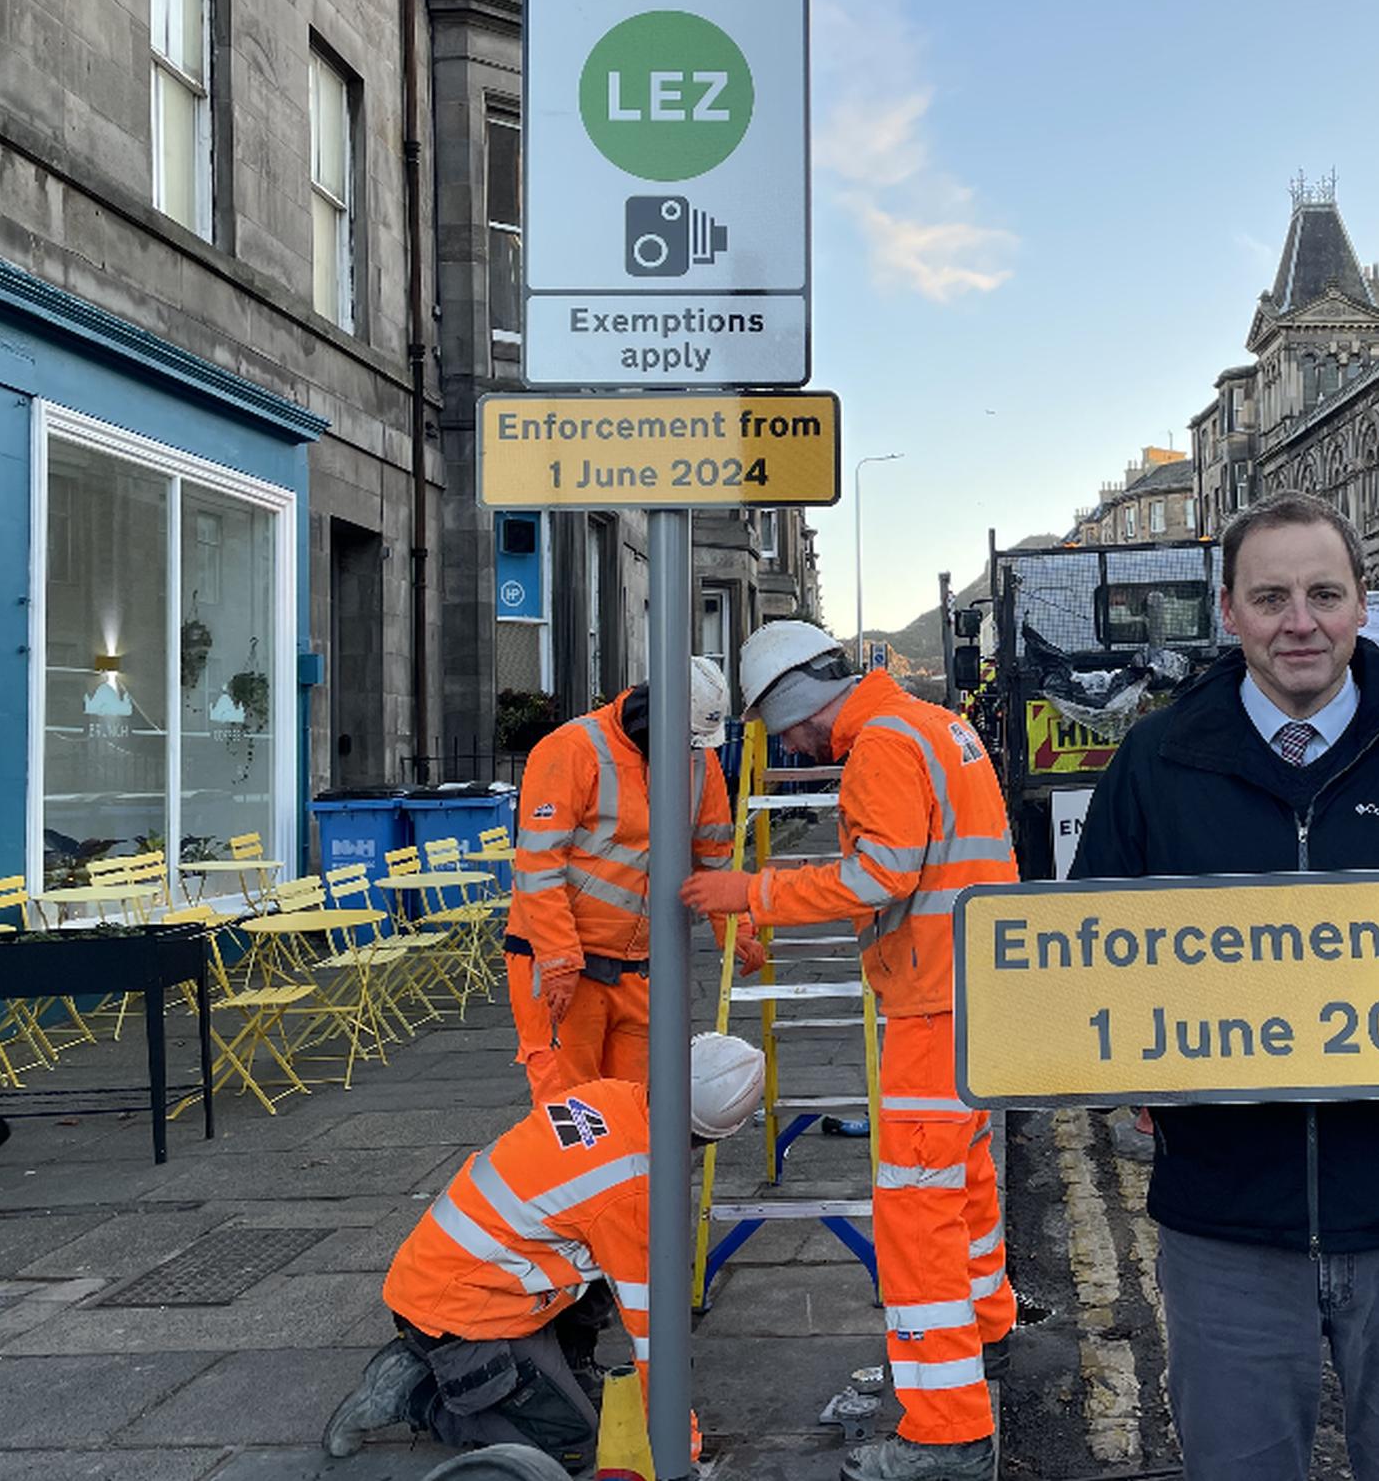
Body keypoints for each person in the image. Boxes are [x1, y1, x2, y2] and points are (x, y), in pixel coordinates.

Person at [1069, 491, 1379, 1481]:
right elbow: (1081, 970)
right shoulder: (1154, 761)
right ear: (1227, 613)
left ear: (1361, 603)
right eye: (1270, 596)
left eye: (1324, 592)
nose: (1300, 621)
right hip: (1226, 1224)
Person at [680, 621, 1017, 1481]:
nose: (789, 745)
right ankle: (980, 1344)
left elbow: (878, 879)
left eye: (778, 726)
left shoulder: (878, 746)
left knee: (914, 1212)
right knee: (964, 1189)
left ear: (795, 698)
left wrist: (747, 890)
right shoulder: (937, 724)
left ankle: (946, 1428)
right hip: (978, 994)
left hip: (931, 1004)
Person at [322, 1032, 767, 1469]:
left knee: (602, 1265)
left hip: (455, 1273)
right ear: (717, 1136)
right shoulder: (628, 1195)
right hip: (456, 1313)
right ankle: (417, 1397)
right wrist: (676, 1440)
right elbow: (652, 1331)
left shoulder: (611, 1095)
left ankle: (563, 1375)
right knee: (572, 1444)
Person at [505, 657, 761, 1101]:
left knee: (635, 1112)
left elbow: (714, 854)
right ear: (652, 713)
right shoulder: (572, 749)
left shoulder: (700, 759)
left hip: (638, 966)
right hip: (567, 963)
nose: (688, 753)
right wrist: (560, 959)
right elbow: (538, 866)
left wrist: (737, 929)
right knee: (571, 1112)